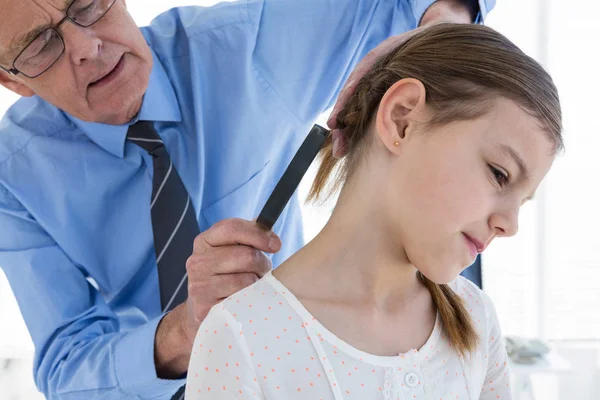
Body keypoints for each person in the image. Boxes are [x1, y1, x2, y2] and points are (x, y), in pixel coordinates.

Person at [0, 0, 489, 398]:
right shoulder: (13, 176)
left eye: (88, 4)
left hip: (311, 373)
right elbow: (65, 365)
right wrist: (185, 332)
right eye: (40, 45)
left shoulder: (245, 48)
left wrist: (441, 30)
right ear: (13, 80)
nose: (87, 47)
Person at [185, 23, 562, 399]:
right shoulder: (242, 335)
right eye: (499, 174)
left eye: (522, 201)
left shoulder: (477, 319)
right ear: (402, 119)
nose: (509, 225)